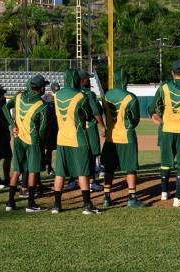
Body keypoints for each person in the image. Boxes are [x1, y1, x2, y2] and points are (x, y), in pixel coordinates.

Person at [51, 69, 100, 215]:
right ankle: (86, 205)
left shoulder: (57, 95)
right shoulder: (81, 96)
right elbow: (87, 115)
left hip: (61, 139)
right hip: (78, 138)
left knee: (60, 173)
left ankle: (57, 205)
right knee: (83, 172)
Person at [150, 59, 180, 206]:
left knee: (165, 161)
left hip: (166, 129)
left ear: (172, 72)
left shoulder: (164, 87)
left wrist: (158, 117)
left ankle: (164, 193)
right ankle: (177, 197)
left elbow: (153, 108)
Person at [102, 68, 145, 208]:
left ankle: (106, 197)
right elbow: (135, 119)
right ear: (125, 80)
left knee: (109, 169)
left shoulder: (106, 96)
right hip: (126, 137)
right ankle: (132, 198)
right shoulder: (130, 97)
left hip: (110, 138)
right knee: (130, 168)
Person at [5, 74, 49, 213]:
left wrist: (12, 125)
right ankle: (30, 203)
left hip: (18, 139)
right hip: (32, 141)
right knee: (33, 171)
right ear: (41, 89)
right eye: (44, 87)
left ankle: (10, 202)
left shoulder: (18, 96)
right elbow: (42, 130)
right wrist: (41, 144)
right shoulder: (41, 105)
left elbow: (5, 108)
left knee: (17, 170)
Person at [80, 70, 106, 191]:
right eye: (87, 78)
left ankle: (76, 180)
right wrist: (102, 125)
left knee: (81, 154)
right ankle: (91, 182)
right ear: (82, 80)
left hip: (77, 129)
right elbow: (96, 112)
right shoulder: (89, 94)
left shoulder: (74, 93)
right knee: (92, 154)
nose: (89, 80)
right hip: (89, 127)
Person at [43, 82, 60, 176]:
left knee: (60, 149)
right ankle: (49, 168)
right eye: (54, 91)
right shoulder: (45, 98)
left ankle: (59, 168)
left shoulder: (60, 97)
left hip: (58, 128)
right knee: (48, 149)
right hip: (49, 128)